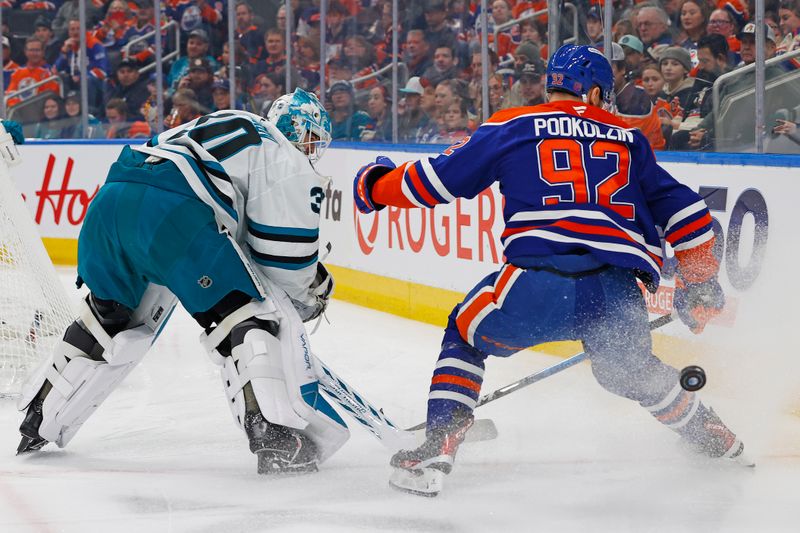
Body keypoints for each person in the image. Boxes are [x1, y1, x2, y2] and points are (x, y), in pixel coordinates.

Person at [353, 44, 750, 497]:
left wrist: (374, 185)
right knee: (629, 370)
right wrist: (699, 284)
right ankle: (712, 435)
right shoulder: (628, 138)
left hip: (539, 282)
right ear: (597, 92)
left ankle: (437, 446)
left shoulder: (513, 124)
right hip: (617, 291)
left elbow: (437, 180)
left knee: (465, 333)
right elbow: (689, 214)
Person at [17, 89, 348, 476]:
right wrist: (312, 289)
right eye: (312, 139)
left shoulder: (230, 118)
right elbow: (283, 259)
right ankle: (273, 434)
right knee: (247, 315)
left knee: (108, 319)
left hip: (110, 204)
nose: (312, 149)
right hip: (172, 214)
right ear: (302, 131)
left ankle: (40, 417)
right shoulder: (285, 155)